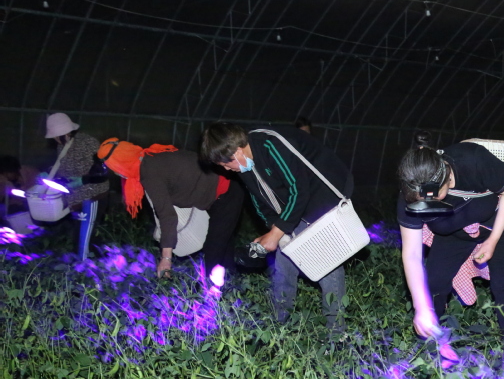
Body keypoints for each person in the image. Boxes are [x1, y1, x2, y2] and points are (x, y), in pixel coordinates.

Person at [397, 131, 504, 362]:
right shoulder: (412, 195)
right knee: (433, 282)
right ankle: (429, 350)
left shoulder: (472, 160)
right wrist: (421, 307)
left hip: (499, 222)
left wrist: (493, 240)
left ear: (446, 178)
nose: (425, 206)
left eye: (431, 200)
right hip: (455, 230)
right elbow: (412, 255)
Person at [199, 122, 354, 331]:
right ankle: (281, 322)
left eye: (226, 164)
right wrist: (273, 228)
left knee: (326, 262)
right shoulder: (243, 165)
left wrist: (276, 233)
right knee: (283, 262)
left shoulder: (271, 145)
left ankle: (336, 331)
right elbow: (259, 199)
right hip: (298, 201)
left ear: (237, 151)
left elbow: (299, 190)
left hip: (324, 192)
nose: (226, 169)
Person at [98, 138, 244, 278]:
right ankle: (231, 280)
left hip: (226, 189)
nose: (116, 173)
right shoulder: (151, 157)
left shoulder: (149, 173)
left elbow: (167, 216)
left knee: (214, 245)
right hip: (223, 186)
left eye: (113, 168)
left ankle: (211, 288)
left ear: (121, 164)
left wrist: (166, 259)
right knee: (224, 240)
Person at [44, 113, 110, 260]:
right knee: (78, 236)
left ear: (65, 132)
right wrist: (49, 173)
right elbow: (63, 168)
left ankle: (86, 266)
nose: (55, 139)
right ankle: (95, 261)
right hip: (75, 198)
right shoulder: (62, 146)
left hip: (92, 196)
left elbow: (102, 171)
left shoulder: (88, 143)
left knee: (84, 239)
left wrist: (83, 180)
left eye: (56, 136)